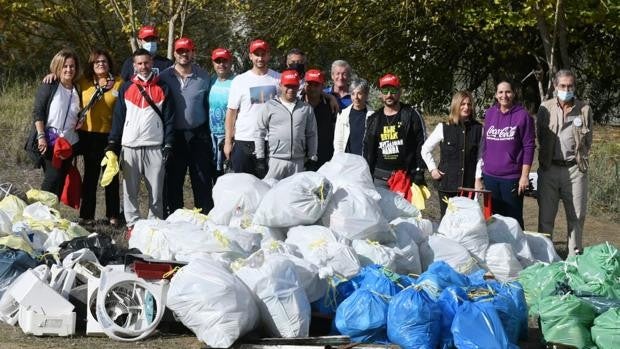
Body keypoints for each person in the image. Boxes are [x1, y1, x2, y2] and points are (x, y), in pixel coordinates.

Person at [107, 48, 174, 232]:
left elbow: (169, 119)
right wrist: (113, 142)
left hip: (155, 146)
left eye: (146, 63)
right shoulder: (126, 87)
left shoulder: (163, 87)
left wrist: (168, 143)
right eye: (139, 63)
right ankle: (132, 225)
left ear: (152, 63)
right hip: (130, 147)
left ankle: (155, 226)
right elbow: (119, 118)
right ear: (134, 66)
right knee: (130, 192)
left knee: (156, 193)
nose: (143, 67)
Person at [537, 70, 593, 256]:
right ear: (555, 86)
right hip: (549, 169)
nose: (566, 89)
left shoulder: (584, 109)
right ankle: (544, 257)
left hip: (575, 170)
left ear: (574, 87)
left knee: (576, 217)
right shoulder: (545, 108)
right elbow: (540, 137)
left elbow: (588, 140)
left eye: (570, 86)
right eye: (562, 86)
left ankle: (574, 258)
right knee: (545, 218)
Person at [159, 37, 214, 217]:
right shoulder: (164, 76)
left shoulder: (204, 77)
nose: (184, 54)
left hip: (198, 134)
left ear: (193, 53)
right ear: (174, 53)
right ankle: (175, 217)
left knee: (201, 178)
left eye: (187, 51)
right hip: (174, 135)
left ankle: (204, 216)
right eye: (180, 51)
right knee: (174, 179)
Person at [480, 80, 535, 229]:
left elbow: (529, 147)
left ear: (514, 93)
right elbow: (484, 143)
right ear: (496, 95)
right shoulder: (490, 113)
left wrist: (524, 176)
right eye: (501, 92)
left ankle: (519, 251)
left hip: (511, 178)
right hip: (490, 177)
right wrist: (481, 172)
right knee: (493, 220)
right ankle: (498, 251)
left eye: (508, 92)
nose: (504, 95)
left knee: (513, 221)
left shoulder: (523, 116)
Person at [77, 49, 123, 226]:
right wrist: (51, 74)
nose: (101, 64)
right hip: (88, 136)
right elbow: (64, 81)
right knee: (90, 176)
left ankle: (113, 215)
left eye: (104, 61)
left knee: (111, 176)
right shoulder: (83, 82)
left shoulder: (118, 82)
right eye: (97, 62)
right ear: (91, 64)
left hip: (110, 137)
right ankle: (87, 215)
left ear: (109, 63)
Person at [421, 91, 483, 217]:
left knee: (467, 223)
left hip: (468, 186)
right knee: (448, 223)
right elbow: (425, 149)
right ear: (456, 105)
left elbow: (480, 157)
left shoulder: (479, 129)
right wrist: (433, 169)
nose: (466, 107)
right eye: (463, 104)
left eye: (469, 104)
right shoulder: (443, 127)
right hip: (447, 185)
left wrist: (478, 179)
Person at [224, 39, 280, 175]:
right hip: (245, 140)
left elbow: (299, 94)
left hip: (271, 141)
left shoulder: (278, 79)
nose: (260, 58)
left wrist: (329, 96)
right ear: (250, 56)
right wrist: (228, 142)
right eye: (256, 54)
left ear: (269, 55)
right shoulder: (240, 80)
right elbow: (231, 113)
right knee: (243, 188)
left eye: (263, 54)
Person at [32, 49, 82, 197]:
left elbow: (78, 112)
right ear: (58, 67)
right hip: (51, 141)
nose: (68, 69)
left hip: (69, 143)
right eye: (64, 66)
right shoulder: (50, 85)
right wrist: (41, 136)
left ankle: (52, 215)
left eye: (72, 66)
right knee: (52, 178)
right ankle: (39, 213)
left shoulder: (77, 88)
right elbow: (38, 112)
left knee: (61, 180)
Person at [364, 73, 427, 187]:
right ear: (381, 93)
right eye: (385, 91)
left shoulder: (411, 114)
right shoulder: (374, 118)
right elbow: (367, 147)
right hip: (379, 177)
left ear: (400, 92)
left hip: (405, 176)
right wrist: (367, 172)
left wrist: (419, 169)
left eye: (393, 90)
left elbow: (422, 143)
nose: (389, 95)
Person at [255, 70, 318, 180]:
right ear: (280, 85)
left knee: (296, 195)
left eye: (294, 86)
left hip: (298, 162)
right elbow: (259, 132)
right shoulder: (269, 106)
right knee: (271, 194)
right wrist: (260, 158)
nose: (290, 89)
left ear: (298, 86)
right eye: (287, 86)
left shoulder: (306, 108)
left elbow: (312, 134)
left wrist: (312, 157)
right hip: (275, 161)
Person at [301, 69, 336, 167]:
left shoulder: (331, 105)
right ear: (304, 85)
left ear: (322, 86)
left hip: (325, 159)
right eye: (309, 84)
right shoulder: (296, 103)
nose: (312, 88)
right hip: (301, 158)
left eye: (316, 85)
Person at [208, 47, 234, 177]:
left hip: (230, 138)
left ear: (231, 62)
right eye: (218, 61)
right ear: (213, 63)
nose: (221, 65)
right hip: (211, 137)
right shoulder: (211, 81)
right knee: (215, 175)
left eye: (225, 61)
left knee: (229, 176)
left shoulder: (237, 82)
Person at [333, 78, 374, 155]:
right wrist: (338, 160)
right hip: (347, 161)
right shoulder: (342, 114)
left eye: (359, 93)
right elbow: (338, 142)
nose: (356, 97)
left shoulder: (373, 116)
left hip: (365, 161)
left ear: (366, 95)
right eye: (353, 94)